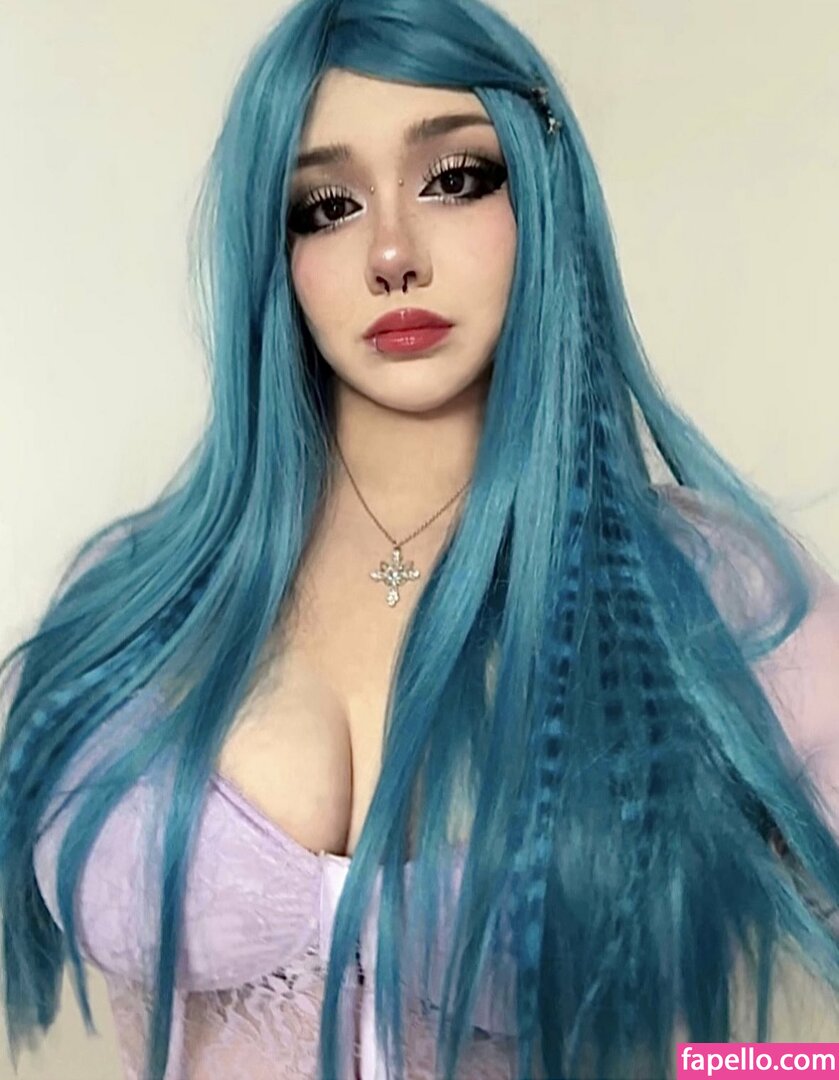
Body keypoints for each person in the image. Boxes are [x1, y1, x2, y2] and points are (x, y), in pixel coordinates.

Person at [2, 0, 839, 1077]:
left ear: (539, 193)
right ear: (274, 250)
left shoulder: (707, 592)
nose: (393, 254)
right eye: (327, 205)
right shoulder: (139, 594)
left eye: (453, 179)